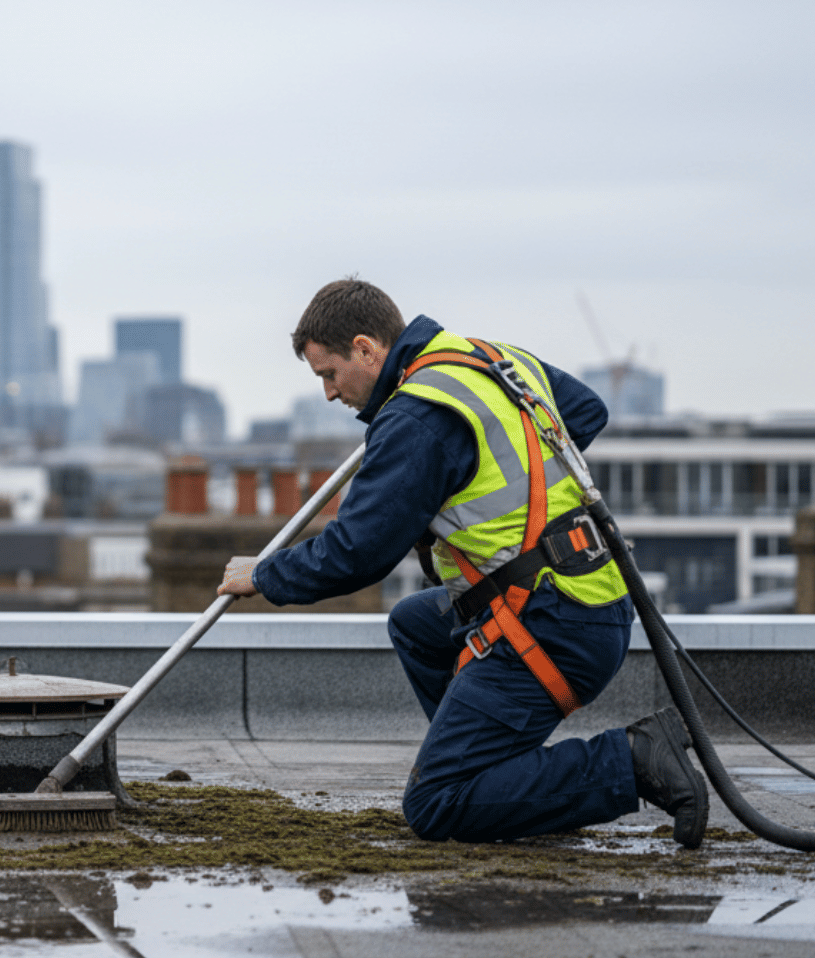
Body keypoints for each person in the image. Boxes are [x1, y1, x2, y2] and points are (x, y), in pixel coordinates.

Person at [217, 279, 709, 847]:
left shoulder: (417, 417)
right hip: (590, 593)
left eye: (329, 374)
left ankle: (630, 761)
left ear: (365, 348)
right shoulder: (490, 360)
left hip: (552, 622)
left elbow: (357, 551)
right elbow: (585, 411)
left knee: (435, 804)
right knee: (416, 625)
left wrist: (265, 574)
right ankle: (507, 779)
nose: (330, 393)